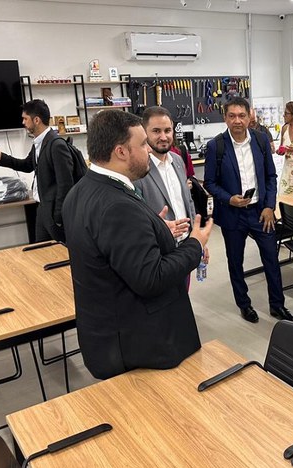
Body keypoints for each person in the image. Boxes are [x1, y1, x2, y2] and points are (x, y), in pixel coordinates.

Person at [61, 109, 213, 380]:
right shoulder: (118, 205)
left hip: (107, 335)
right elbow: (151, 278)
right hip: (138, 347)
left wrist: (152, 230)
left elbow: (110, 248)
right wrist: (194, 244)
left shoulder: (81, 191)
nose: (149, 150)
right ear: (121, 152)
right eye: (142, 144)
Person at [204, 97, 293, 324]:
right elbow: (210, 183)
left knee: (271, 261)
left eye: (242, 116)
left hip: (260, 213)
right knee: (235, 262)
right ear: (225, 118)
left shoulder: (261, 140)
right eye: (232, 116)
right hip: (233, 214)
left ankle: (277, 305)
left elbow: (271, 176)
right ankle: (244, 305)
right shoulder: (216, 146)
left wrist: (269, 207)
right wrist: (229, 199)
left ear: (249, 117)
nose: (237, 121)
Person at [0, 99, 74, 242]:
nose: (23, 123)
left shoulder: (56, 145)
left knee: (60, 255)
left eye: (25, 119)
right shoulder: (39, 143)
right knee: (40, 253)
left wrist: (59, 216)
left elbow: (66, 184)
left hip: (54, 214)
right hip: (42, 210)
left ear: (37, 120)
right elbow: (27, 165)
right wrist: (1, 157)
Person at [135, 106, 194, 242]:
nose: (163, 137)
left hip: (187, 242)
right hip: (161, 247)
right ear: (144, 132)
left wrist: (196, 238)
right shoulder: (138, 169)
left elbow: (188, 201)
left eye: (167, 130)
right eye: (156, 131)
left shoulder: (178, 160)